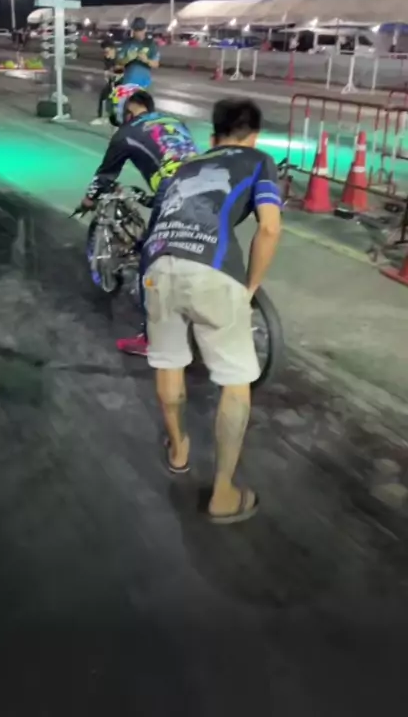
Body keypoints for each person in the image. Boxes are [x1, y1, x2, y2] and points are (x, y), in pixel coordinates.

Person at [142, 98, 282, 523]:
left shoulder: (184, 166)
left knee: (169, 362)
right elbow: (269, 227)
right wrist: (250, 286)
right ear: (254, 136)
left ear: (213, 135)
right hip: (212, 272)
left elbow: (156, 222)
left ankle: (179, 450)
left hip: (157, 265)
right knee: (236, 382)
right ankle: (223, 493)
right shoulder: (258, 160)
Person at [79, 84, 200, 355]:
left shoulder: (126, 133)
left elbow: (105, 176)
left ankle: (151, 339)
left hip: (174, 191)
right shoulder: (174, 122)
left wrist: (88, 200)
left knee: (150, 261)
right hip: (210, 185)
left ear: (122, 108)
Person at [116, 16, 160, 88]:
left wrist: (146, 60)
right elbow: (118, 62)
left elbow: (156, 64)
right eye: (136, 30)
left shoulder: (151, 44)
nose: (138, 33)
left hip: (144, 84)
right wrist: (128, 59)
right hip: (128, 82)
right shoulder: (127, 43)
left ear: (145, 29)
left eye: (140, 30)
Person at [90, 35, 121, 126]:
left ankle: (116, 118)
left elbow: (122, 72)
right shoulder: (107, 58)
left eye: (107, 52)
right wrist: (107, 74)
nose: (106, 54)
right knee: (104, 96)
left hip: (123, 82)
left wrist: (115, 76)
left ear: (113, 49)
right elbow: (107, 70)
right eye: (104, 52)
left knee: (116, 100)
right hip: (113, 81)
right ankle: (101, 117)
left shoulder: (120, 58)